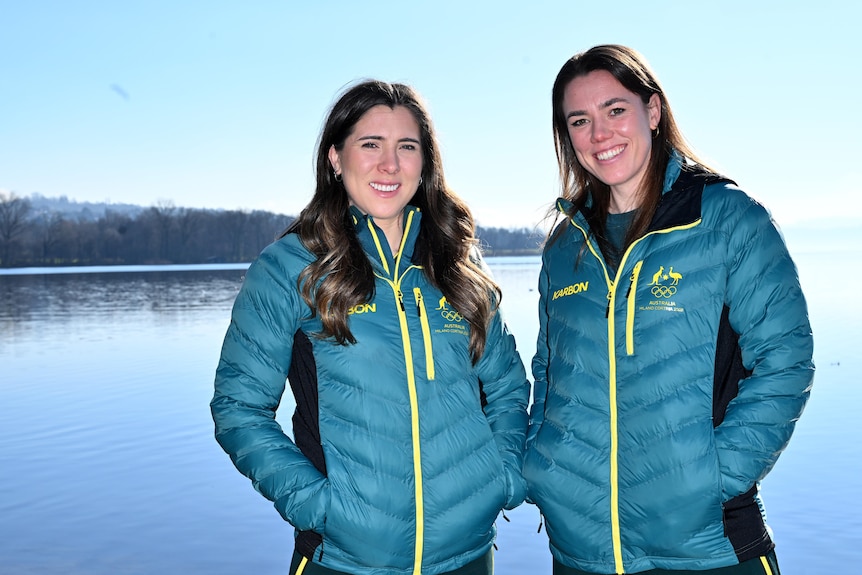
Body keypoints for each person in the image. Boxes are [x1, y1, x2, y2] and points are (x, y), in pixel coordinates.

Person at [211, 80, 530, 575]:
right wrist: (320, 508)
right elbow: (239, 409)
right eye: (370, 145)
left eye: (407, 146)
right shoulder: (292, 267)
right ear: (336, 157)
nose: (390, 164)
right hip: (345, 560)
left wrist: (502, 479)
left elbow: (508, 389)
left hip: (468, 556)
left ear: (425, 161)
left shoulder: (456, 266)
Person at [523, 45, 814, 575]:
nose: (600, 134)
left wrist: (713, 478)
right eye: (580, 121)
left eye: (615, 110)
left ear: (652, 112)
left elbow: (786, 361)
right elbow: (550, 372)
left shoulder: (728, 219)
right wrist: (546, 468)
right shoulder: (565, 247)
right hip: (584, 550)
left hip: (708, 548)